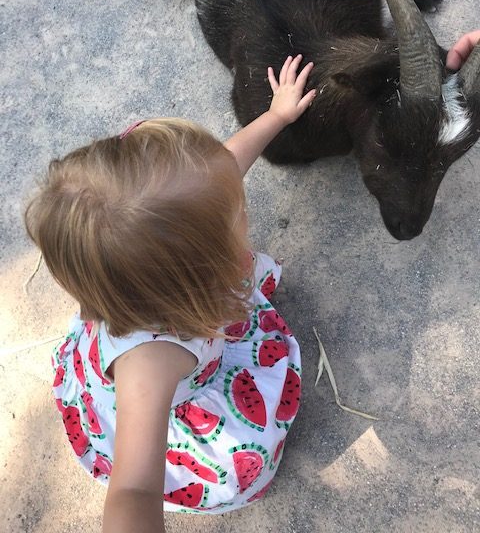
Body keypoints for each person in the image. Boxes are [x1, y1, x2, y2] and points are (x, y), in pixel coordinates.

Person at [24, 55, 316, 533]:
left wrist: (277, 116)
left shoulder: (143, 263)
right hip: (184, 415)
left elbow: (223, 170)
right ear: (196, 279)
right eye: (234, 215)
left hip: (190, 335)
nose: (242, 206)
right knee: (242, 460)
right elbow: (134, 490)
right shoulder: (151, 359)